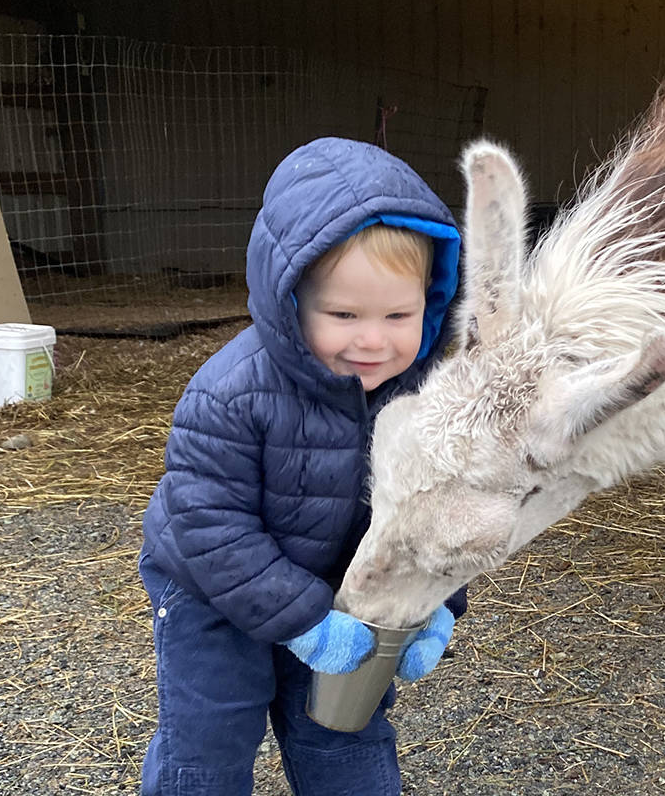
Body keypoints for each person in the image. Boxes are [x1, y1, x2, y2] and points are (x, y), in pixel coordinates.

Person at [138, 137, 465, 796]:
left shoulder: (427, 396)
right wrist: (305, 622)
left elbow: (437, 517)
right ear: (291, 304)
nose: (373, 339)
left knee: (343, 731)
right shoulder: (230, 391)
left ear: (430, 306)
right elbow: (210, 529)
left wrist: (436, 605)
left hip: (339, 601)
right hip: (212, 597)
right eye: (344, 315)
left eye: (397, 315)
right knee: (209, 739)